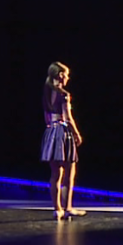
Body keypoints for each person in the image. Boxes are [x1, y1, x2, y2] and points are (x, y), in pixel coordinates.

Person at [41, 62, 85, 220]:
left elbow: (47, 116)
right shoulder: (64, 94)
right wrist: (77, 134)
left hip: (50, 131)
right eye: (66, 75)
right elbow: (68, 118)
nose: (68, 78)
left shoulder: (46, 92)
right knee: (69, 172)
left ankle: (57, 209)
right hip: (63, 132)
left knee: (55, 174)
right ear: (60, 75)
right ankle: (68, 208)